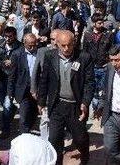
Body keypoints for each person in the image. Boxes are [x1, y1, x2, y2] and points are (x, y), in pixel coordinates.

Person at [37, 30, 94, 165]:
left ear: (74, 43)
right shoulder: (50, 56)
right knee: (54, 139)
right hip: (57, 105)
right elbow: (44, 79)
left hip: (76, 106)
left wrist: (85, 102)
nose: (66, 48)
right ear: (56, 44)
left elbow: (89, 83)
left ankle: (85, 156)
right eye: (63, 45)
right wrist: (41, 101)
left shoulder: (84, 58)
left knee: (80, 138)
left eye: (69, 45)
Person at [82, 13, 114, 111]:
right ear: (94, 23)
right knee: (92, 87)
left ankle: (101, 108)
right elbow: (84, 51)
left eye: (102, 23)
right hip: (92, 66)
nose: (102, 25)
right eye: (99, 23)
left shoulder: (108, 34)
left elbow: (111, 49)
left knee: (102, 88)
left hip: (103, 65)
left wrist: (109, 62)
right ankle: (93, 106)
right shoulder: (87, 34)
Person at [7, 33, 38, 133]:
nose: (32, 47)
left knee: (34, 113)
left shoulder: (40, 53)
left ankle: (29, 129)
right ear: (24, 43)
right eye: (30, 45)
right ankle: (24, 136)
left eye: (34, 45)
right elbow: (12, 75)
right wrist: (10, 93)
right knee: (23, 116)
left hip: (36, 90)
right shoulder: (17, 54)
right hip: (23, 90)